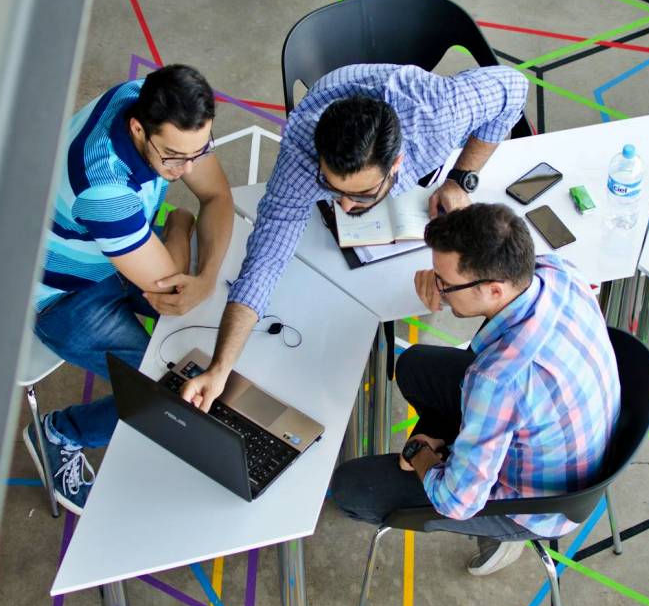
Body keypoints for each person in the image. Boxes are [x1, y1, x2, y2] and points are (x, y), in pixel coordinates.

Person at [178, 63, 530, 412]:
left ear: (397, 164)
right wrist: (220, 367)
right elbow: (264, 261)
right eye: (332, 189)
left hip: (413, 104)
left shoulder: (439, 115)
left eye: (361, 195)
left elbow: (514, 88)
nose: (344, 207)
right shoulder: (301, 154)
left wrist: (461, 177)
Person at [330, 203, 621, 576]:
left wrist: (420, 452)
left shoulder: (497, 380)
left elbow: (456, 501)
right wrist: (440, 279)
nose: (439, 289)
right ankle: (457, 448)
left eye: (445, 284)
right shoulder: (556, 272)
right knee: (415, 365)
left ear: (494, 289)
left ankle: (501, 537)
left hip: (536, 504)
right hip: (572, 439)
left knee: (351, 487)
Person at [24, 64, 235, 513]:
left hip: (118, 252)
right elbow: (173, 293)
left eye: (200, 152)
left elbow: (217, 197)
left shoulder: (153, 100)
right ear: (138, 129)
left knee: (208, 322)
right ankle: (61, 433)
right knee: (163, 392)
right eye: (175, 157)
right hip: (63, 296)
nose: (188, 168)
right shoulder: (105, 190)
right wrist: (179, 225)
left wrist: (207, 276)